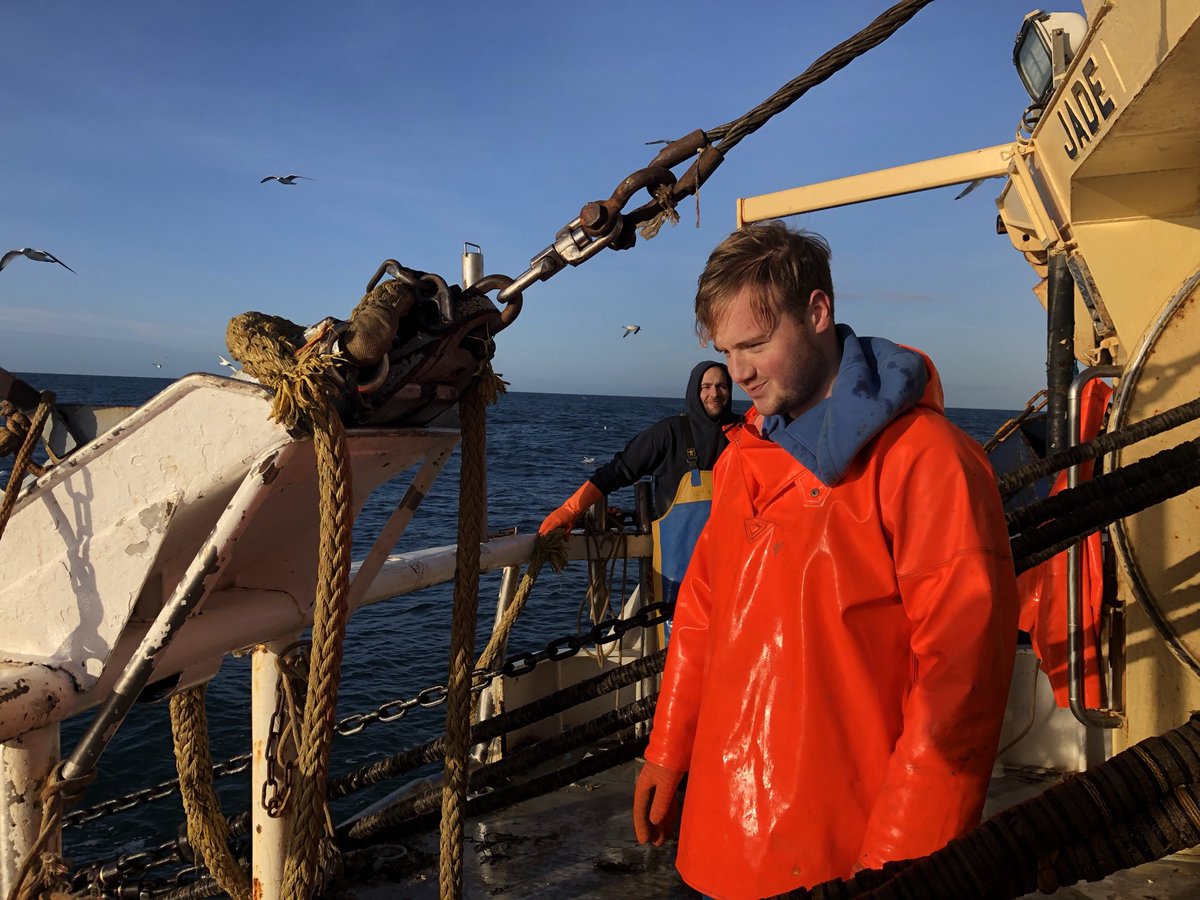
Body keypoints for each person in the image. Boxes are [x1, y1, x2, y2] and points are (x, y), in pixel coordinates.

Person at [632, 222, 1019, 898]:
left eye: (755, 344)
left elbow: (958, 689)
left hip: (843, 860)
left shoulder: (928, 462)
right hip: (717, 844)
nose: (740, 371)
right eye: (728, 351)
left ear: (817, 312)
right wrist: (668, 750)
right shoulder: (742, 460)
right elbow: (700, 612)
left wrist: (902, 864)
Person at [538, 361, 738, 607]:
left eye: (722, 386)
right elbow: (617, 471)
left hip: (735, 565)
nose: (714, 394)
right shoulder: (669, 432)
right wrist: (571, 509)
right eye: (705, 386)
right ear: (693, 391)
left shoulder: (745, 433)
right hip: (678, 571)